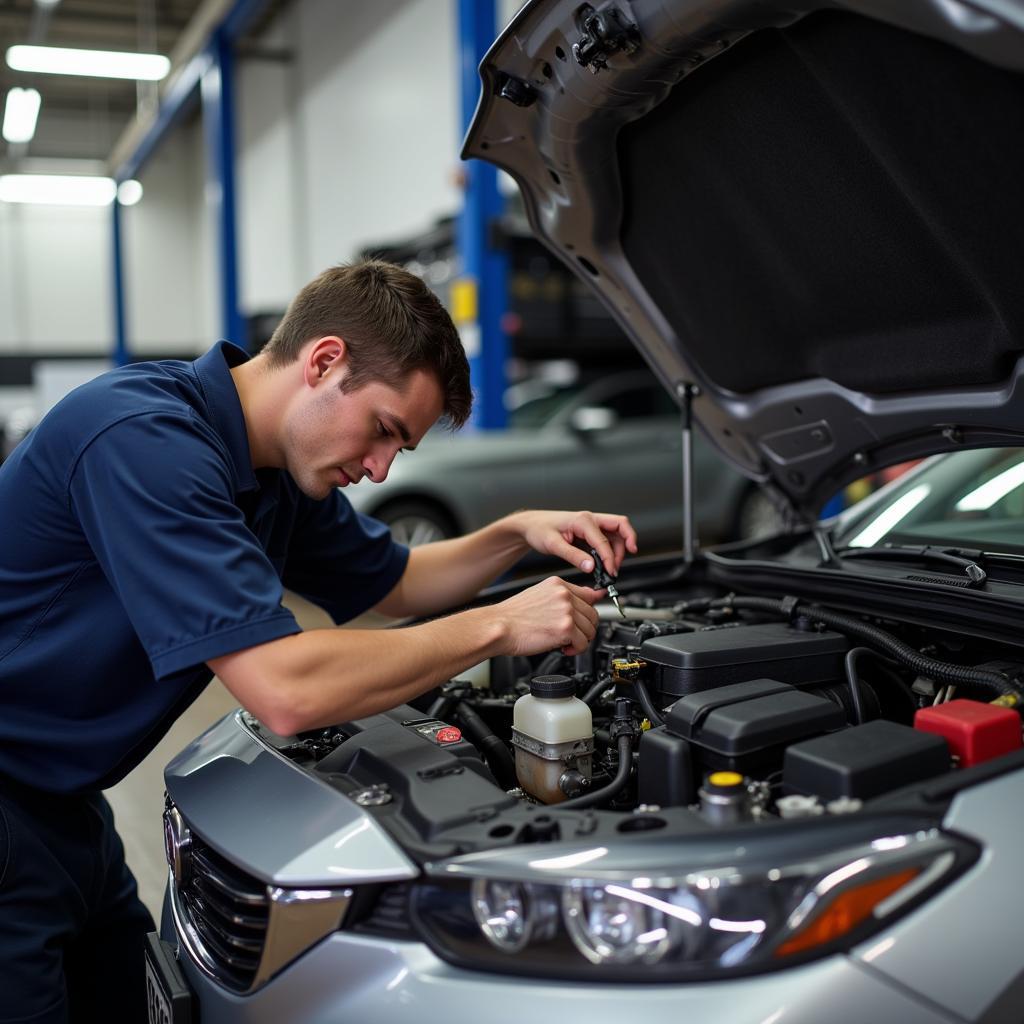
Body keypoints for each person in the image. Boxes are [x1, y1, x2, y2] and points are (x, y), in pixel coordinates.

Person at [0, 260, 637, 1022]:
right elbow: (287, 688)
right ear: (324, 361)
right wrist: (502, 623)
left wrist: (514, 534)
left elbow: (396, 582)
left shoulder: (273, 470)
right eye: (383, 432)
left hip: (63, 802)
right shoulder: (145, 440)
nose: (376, 469)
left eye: (397, 452)